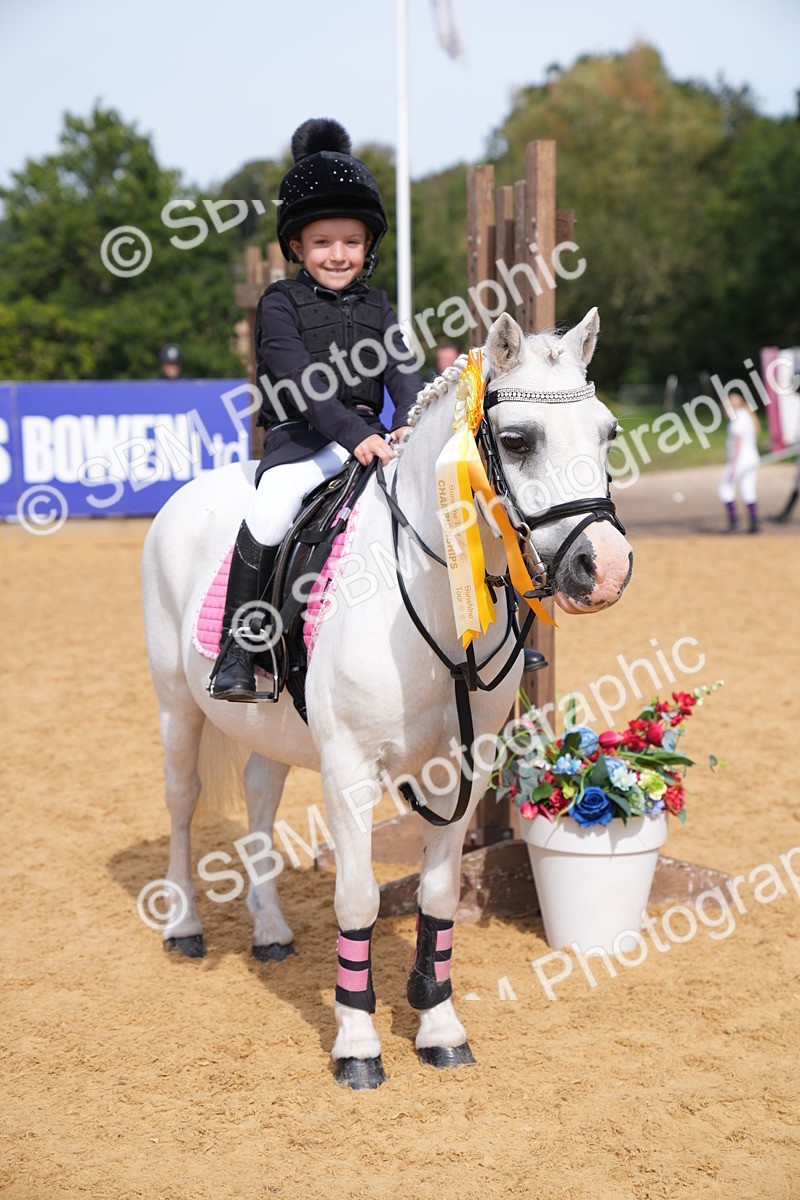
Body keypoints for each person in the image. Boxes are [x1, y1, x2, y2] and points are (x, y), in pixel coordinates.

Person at [211, 118, 422, 700]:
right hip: (303, 442)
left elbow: (404, 370)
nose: (338, 254)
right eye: (323, 243)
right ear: (297, 246)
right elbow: (302, 383)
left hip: (373, 440)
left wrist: (409, 419)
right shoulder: (279, 303)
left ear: (368, 246)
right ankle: (238, 648)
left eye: (352, 242)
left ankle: (485, 632)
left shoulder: (379, 305)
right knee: (273, 509)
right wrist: (356, 434)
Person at [717, 391, 761, 534]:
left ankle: (733, 521)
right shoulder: (747, 416)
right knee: (748, 490)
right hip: (752, 459)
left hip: (740, 460)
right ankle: (754, 522)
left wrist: (733, 465)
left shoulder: (737, 419)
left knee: (725, 488)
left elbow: (738, 441)